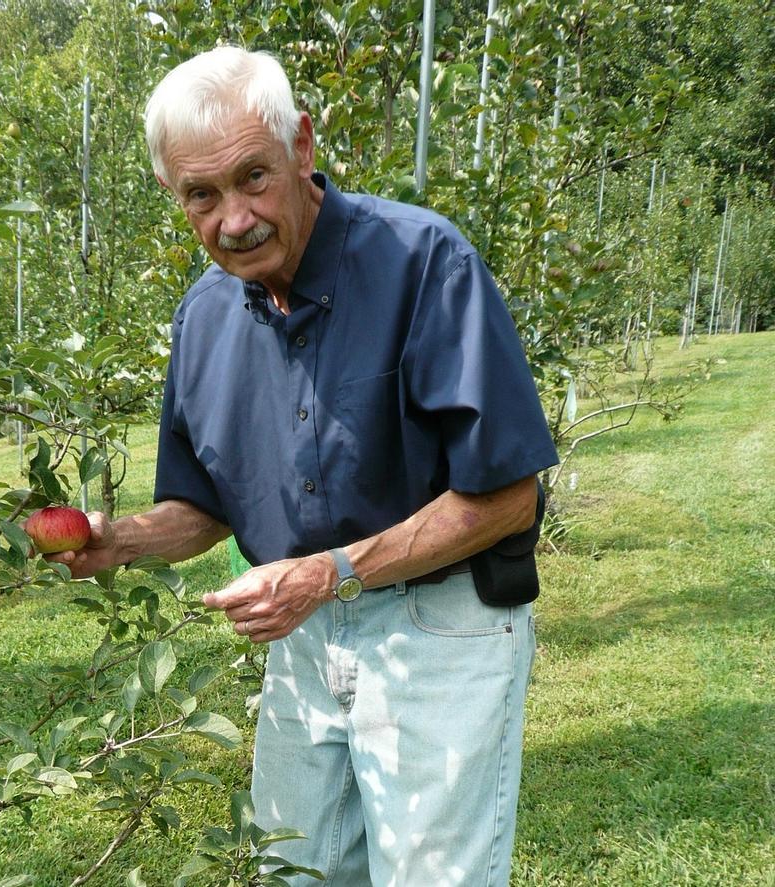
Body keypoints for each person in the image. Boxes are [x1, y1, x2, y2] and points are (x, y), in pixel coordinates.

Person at [50, 46, 559, 886]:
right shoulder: (205, 319)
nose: (234, 219)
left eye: (253, 177)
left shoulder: (423, 262)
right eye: (200, 196)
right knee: (292, 870)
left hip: (440, 626)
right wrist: (124, 539)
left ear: (303, 147)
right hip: (302, 640)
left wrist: (330, 574)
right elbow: (211, 501)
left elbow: (506, 497)